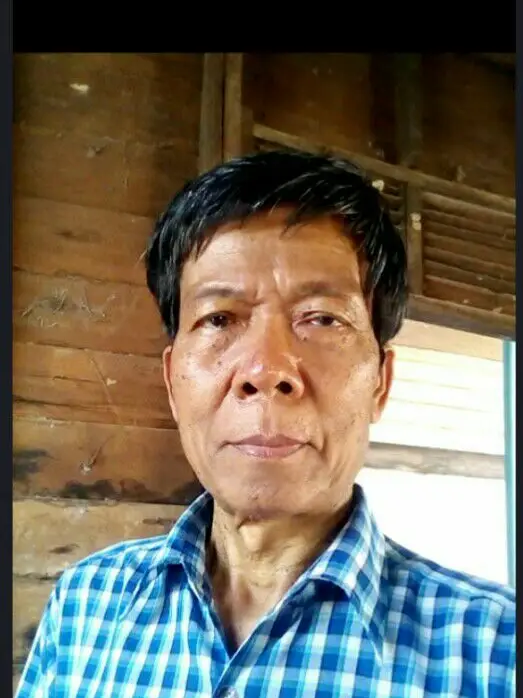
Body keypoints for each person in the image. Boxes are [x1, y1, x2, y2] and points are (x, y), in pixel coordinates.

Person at [16, 150, 515, 698]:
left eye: (321, 318)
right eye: (219, 319)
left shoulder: (496, 653)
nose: (265, 370)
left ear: (381, 382)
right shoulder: (85, 608)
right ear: (173, 382)